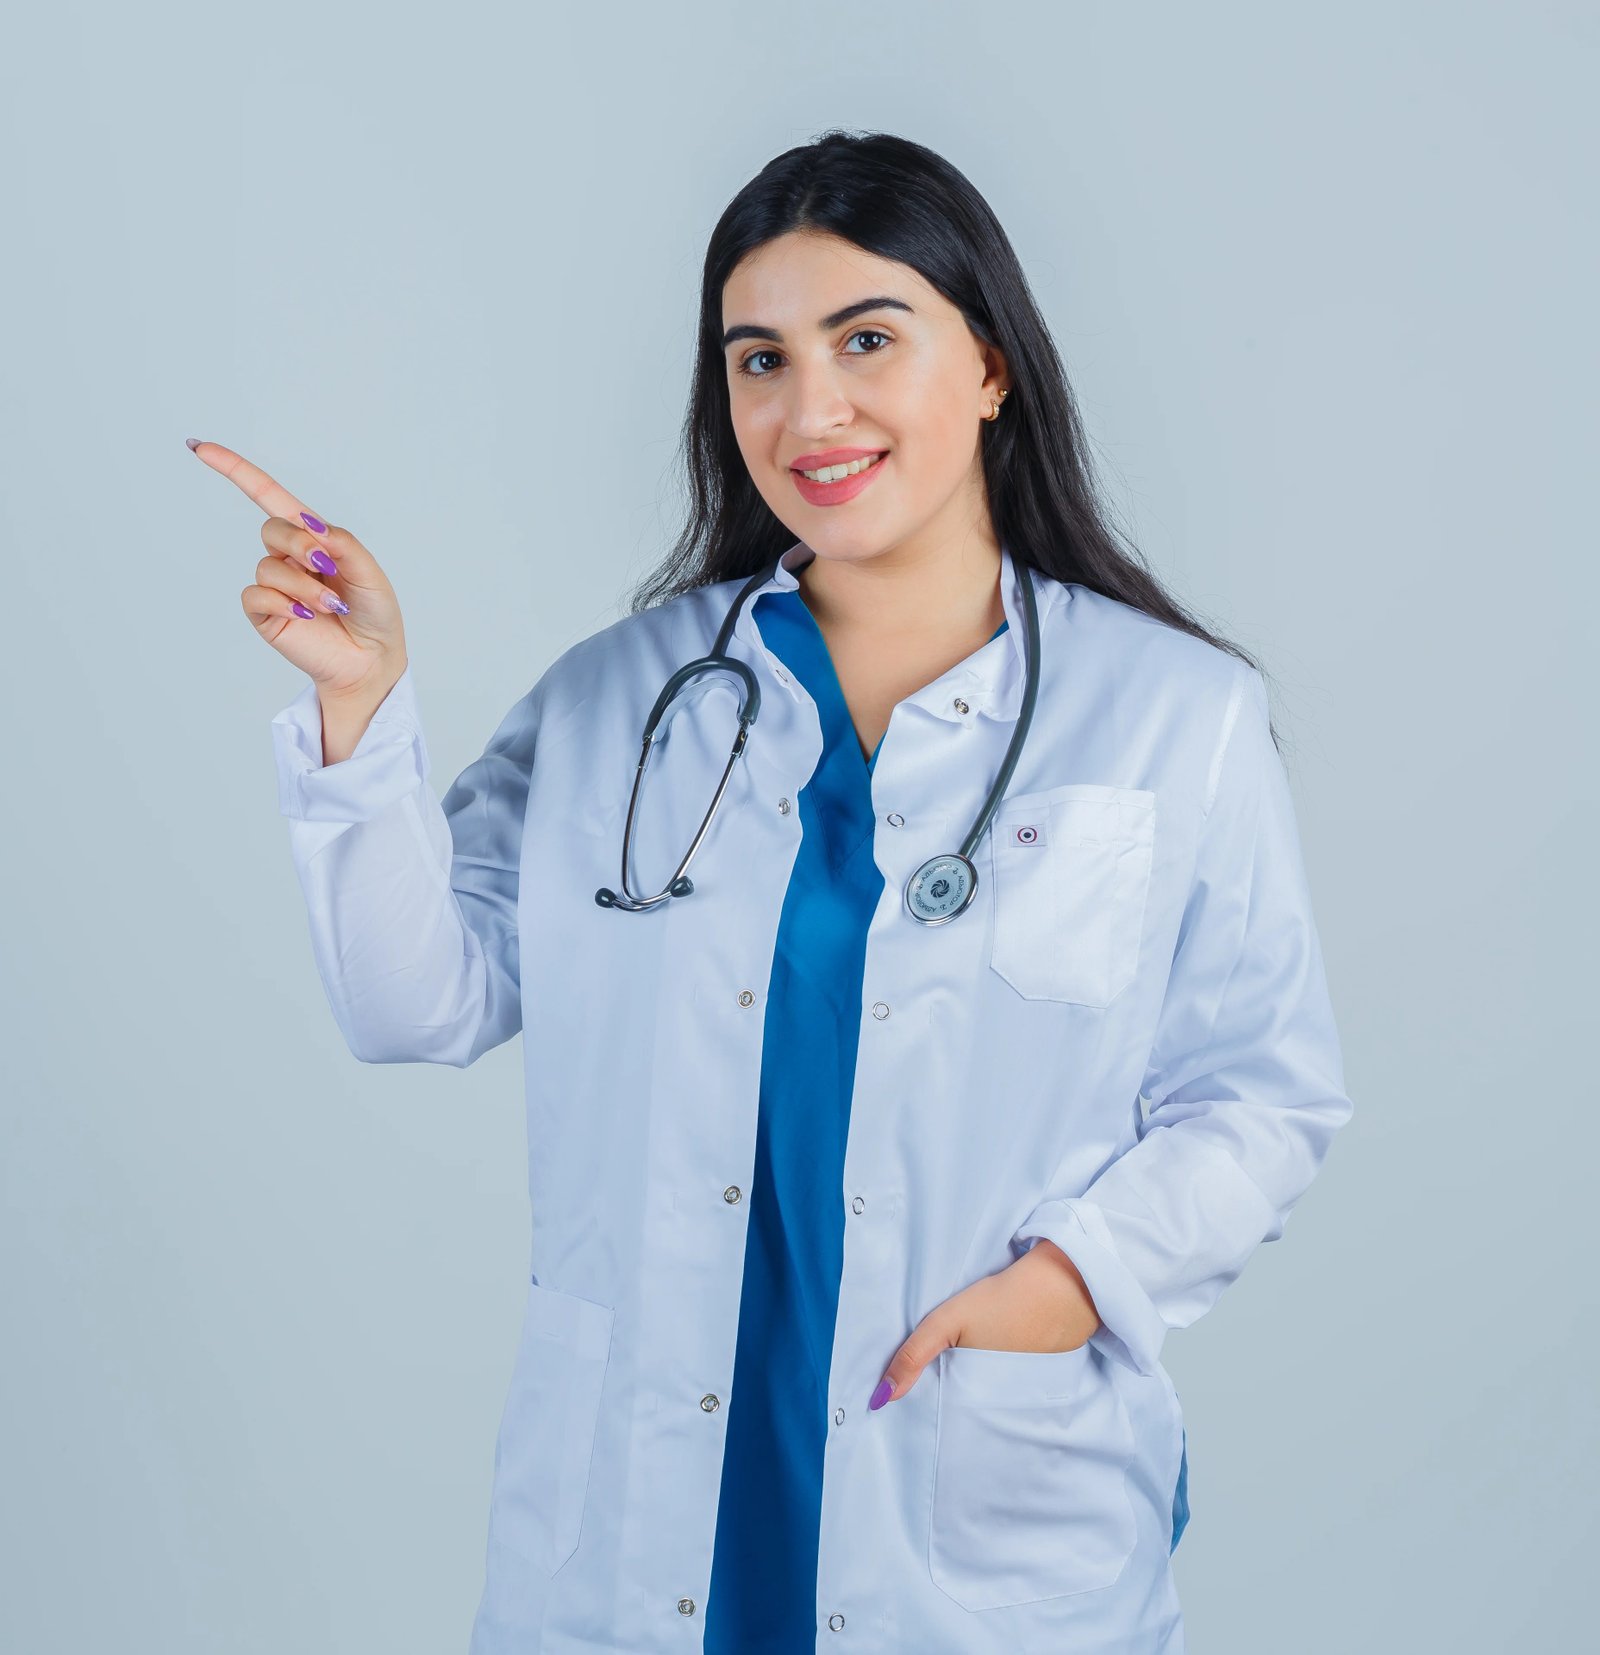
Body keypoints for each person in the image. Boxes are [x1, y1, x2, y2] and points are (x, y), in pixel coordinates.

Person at [197, 128, 1352, 1655]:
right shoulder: (619, 701)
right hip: (645, 1509)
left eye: (867, 339)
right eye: (760, 360)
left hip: (973, 1480)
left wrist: (1081, 1280)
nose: (811, 411)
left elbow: (1261, 1093)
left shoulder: (1171, 715)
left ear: (990, 365)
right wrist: (361, 712)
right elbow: (421, 1003)